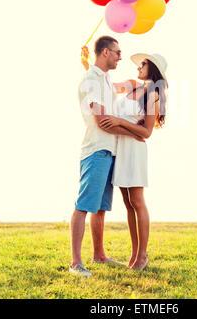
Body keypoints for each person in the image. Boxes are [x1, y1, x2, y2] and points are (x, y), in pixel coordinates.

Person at [69, 36, 144, 277]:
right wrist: (134, 132)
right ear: (104, 53)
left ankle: (99, 255)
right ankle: (75, 264)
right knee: (84, 206)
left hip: (109, 151)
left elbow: (132, 84)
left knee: (100, 208)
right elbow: (102, 121)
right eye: (117, 52)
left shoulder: (104, 79)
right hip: (96, 150)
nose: (120, 56)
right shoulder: (91, 80)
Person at [99, 53, 168, 271]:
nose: (139, 66)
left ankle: (142, 255)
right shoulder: (130, 85)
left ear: (153, 69)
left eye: (144, 64)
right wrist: (87, 66)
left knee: (137, 201)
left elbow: (146, 132)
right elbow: (106, 86)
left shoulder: (152, 95)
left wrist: (120, 121)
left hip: (135, 151)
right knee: (128, 203)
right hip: (121, 148)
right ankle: (134, 254)